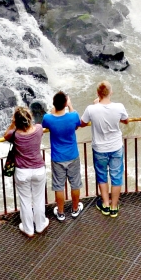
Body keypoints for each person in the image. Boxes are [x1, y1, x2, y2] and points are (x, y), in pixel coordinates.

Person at [82, 82, 130, 218]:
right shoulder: (119, 107)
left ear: (98, 94)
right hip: (116, 146)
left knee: (102, 175)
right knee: (116, 176)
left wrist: (96, 105)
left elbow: (82, 123)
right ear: (111, 92)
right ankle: (114, 207)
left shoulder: (91, 109)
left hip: (99, 148)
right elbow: (126, 121)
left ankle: (105, 204)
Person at [5, 106, 48, 237]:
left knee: (25, 201)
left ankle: (28, 229)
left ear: (17, 121)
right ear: (30, 119)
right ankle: (40, 225)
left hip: (22, 171)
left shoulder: (15, 134)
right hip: (38, 170)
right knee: (39, 199)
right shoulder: (39, 129)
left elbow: (6, 135)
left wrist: (13, 122)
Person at [42, 92, 84, 221]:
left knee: (59, 186)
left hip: (57, 157)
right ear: (65, 104)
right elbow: (77, 122)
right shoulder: (73, 116)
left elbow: (46, 121)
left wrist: (55, 108)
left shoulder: (48, 118)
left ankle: (60, 212)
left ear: (54, 104)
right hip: (72, 155)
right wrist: (70, 106)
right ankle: (75, 209)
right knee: (75, 183)